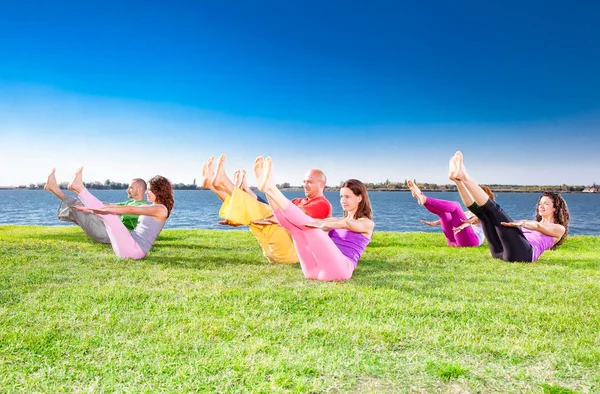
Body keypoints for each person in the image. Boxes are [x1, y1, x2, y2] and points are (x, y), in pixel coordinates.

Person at [254, 156, 374, 281]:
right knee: (296, 229)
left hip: (342, 269)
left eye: (347, 197)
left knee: (311, 225)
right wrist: (283, 219)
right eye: (341, 196)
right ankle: (268, 191)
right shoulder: (336, 220)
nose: (343, 201)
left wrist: (319, 224)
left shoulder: (367, 224)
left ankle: (272, 188)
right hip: (315, 270)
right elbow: (318, 222)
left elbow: (347, 223)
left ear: (359, 198)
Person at [201, 154, 332, 264]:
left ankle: (222, 183)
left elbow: (294, 215)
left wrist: (270, 218)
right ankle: (216, 186)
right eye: (304, 182)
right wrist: (238, 217)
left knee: (267, 212)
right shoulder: (297, 201)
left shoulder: (322, 204)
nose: (305, 185)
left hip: (295, 255)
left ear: (321, 184)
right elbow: (266, 207)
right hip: (274, 251)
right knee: (261, 209)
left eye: (309, 182)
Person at [448, 151, 569, 262]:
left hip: (524, 255)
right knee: (483, 214)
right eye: (540, 203)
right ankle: (458, 181)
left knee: (495, 210)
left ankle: (465, 177)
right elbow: (512, 228)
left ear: (555, 208)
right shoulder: (528, 223)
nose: (541, 206)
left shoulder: (559, 229)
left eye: (546, 204)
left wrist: (522, 224)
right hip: (500, 252)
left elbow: (537, 226)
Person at [65, 167, 174, 259]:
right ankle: (77, 190)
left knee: (110, 215)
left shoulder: (161, 209)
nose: (146, 192)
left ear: (158, 191)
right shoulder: (152, 208)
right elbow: (115, 206)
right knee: (108, 213)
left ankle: (80, 188)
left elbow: (132, 210)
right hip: (129, 246)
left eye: (149, 189)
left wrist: (104, 210)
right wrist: (89, 207)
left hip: (134, 250)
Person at [44, 169, 147, 243]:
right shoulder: (130, 203)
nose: (127, 190)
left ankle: (60, 188)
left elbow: (114, 210)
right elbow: (108, 205)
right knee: (82, 206)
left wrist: (88, 202)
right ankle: (58, 188)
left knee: (83, 208)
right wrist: (88, 201)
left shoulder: (142, 207)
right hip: (109, 232)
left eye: (130, 188)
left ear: (139, 190)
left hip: (113, 237)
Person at [407, 179, 495, 247]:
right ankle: (421, 196)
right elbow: (453, 219)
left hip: (472, 241)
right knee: (444, 214)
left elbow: (475, 220)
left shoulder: (486, 212)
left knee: (456, 206)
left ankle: (424, 198)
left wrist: (462, 226)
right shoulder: (468, 212)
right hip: (454, 242)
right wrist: (434, 223)